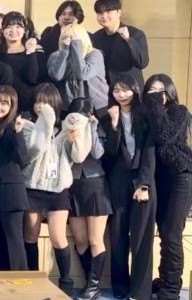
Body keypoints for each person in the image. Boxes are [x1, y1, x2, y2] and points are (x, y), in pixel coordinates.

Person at [21, 83, 93, 294]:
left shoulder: (66, 127)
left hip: (58, 188)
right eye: (38, 102)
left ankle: (66, 282)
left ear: (55, 104)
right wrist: (44, 127)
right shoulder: (27, 126)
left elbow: (78, 157)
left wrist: (74, 140)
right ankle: (33, 278)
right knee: (31, 233)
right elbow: (31, 153)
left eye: (47, 102)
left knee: (58, 236)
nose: (42, 106)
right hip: (33, 186)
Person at [99, 76, 155, 300]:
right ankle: (120, 288)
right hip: (119, 180)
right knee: (118, 235)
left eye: (125, 90)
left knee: (142, 237)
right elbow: (110, 153)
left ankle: (140, 291)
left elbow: (150, 152)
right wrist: (113, 125)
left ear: (135, 90)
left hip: (143, 179)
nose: (121, 95)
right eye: (116, 91)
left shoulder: (146, 115)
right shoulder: (107, 116)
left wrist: (144, 184)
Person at [143, 74, 192, 300]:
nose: (156, 95)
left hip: (181, 177)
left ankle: (171, 291)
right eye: (151, 91)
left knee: (172, 234)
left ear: (170, 92)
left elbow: (165, 136)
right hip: (160, 180)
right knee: (164, 232)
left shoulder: (179, 111)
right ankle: (166, 280)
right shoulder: (147, 115)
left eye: (160, 91)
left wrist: (154, 104)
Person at [63, 99, 110, 300]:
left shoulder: (98, 128)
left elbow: (98, 153)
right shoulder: (66, 129)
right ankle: (88, 283)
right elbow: (64, 157)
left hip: (95, 184)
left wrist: (91, 128)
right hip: (73, 185)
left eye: (85, 114)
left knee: (95, 239)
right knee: (81, 240)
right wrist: (70, 139)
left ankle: (93, 287)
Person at [0, 86, 28, 270]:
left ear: (12, 106)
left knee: (14, 242)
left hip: (11, 194)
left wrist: (18, 133)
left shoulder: (14, 126)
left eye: (4, 103)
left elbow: (22, 158)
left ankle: (21, 281)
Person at [47, 23, 109, 113]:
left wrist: (76, 46)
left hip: (96, 106)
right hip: (68, 105)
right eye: (66, 38)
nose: (69, 41)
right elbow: (57, 76)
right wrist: (64, 52)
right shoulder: (56, 56)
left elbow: (82, 74)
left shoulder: (95, 54)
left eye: (73, 39)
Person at [91, 0, 149, 87]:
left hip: (129, 89)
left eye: (108, 11)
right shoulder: (96, 37)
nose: (104, 16)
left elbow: (142, 63)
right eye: (100, 13)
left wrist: (128, 40)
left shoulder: (135, 34)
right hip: (105, 89)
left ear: (119, 12)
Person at [0, 12, 44, 111]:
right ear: (2, 29)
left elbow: (33, 79)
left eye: (18, 27)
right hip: (2, 104)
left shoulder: (35, 49)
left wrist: (30, 53)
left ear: (24, 30)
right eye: (9, 27)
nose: (13, 30)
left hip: (27, 104)